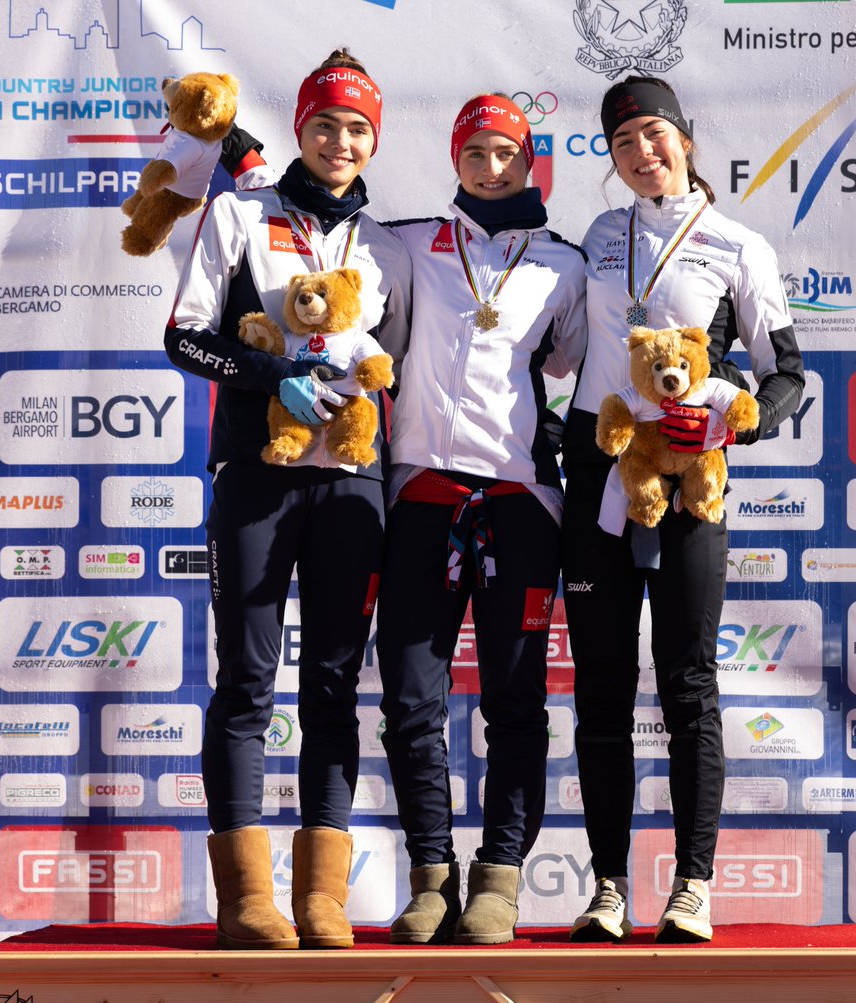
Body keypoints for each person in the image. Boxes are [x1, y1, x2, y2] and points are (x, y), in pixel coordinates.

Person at [164, 49, 409, 951]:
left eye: (357, 130)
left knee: (336, 686)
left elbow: (398, 362)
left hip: (352, 484)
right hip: (257, 472)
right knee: (246, 685)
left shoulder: (383, 246)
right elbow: (186, 340)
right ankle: (248, 903)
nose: (340, 142)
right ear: (302, 129)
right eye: (325, 125)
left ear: (372, 144)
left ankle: (323, 902)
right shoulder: (239, 213)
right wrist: (273, 375)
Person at [562, 76, 805, 944]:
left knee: (689, 684)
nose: (642, 154)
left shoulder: (738, 245)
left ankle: (693, 884)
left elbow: (789, 374)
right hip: (598, 465)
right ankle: (609, 885)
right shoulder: (596, 236)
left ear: (686, 139)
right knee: (600, 687)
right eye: (624, 143)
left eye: (655, 135)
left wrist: (732, 408)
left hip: (688, 471)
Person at [376, 94, 587, 945]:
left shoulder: (565, 264)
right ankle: (432, 876)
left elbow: (576, 360)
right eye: (476, 153)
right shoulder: (408, 242)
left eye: (507, 153)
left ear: (530, 159)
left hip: (521, 498)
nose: (492, 167)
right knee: (411, 700)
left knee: (516, 699)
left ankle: (497, 881)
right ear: (455, 159)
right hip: (422, 491)